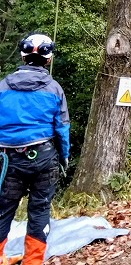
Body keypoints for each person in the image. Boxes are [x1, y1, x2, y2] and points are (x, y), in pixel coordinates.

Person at [0, 33, 70, 265]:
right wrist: (64, 157)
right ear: (48, 59)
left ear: (22, 55)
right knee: (40, 210)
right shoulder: (54, 88)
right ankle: (32, 261)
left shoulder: (2, 86)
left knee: (3, 210)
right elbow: (62, 128)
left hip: (7, 159)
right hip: (44, 157)